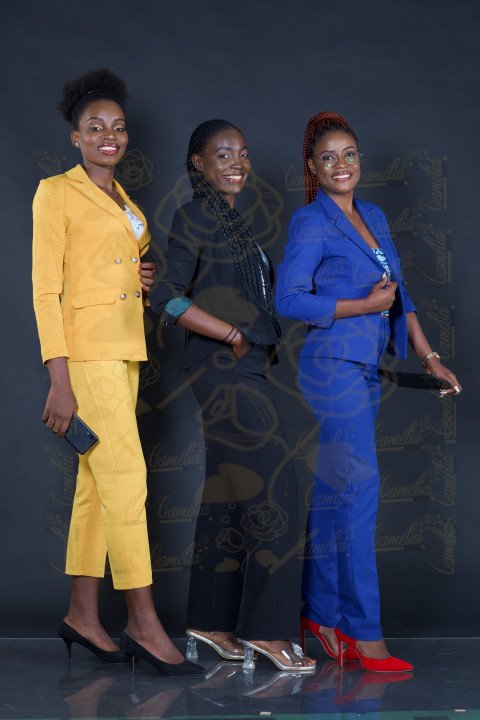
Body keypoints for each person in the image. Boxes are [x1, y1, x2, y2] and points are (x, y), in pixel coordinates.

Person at [275, 111, 462, 673]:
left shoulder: (374, 216)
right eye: (328, 158)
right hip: (331, 367)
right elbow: (289, 299)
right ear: (313, 168)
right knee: (359, 489)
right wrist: (363, 306)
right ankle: (363, 631)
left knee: (336, 492)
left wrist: (429, 357)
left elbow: (399, 295)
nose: (341, 165)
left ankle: (319, 614)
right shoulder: (311, 221)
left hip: (365, 368)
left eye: (349, 154)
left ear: (361, 159)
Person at [32, 68, 202, 676]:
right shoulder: (56, 192)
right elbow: (47, 290)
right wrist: (59, 378)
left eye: (118, 127)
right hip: (86, 358)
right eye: (95, 127)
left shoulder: (126, 203)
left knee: (95, 486)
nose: (110, 136)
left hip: (126, 352)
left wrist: (141, 275)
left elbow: (112, 270)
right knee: (128, 481)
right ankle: (143, 622)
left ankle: (83, 614)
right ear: (75, 137)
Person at [149, 119, 315, 673]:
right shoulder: (196, 214)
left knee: (226, 497)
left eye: (242, 153)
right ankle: (268, 631)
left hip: (245, 369)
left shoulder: (233, 222)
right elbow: (166, 297)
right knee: (276, 491)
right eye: (223, 154)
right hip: (224, 369)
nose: (237, 162)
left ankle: (210, 620)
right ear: (199, 163)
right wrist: (230, 334)